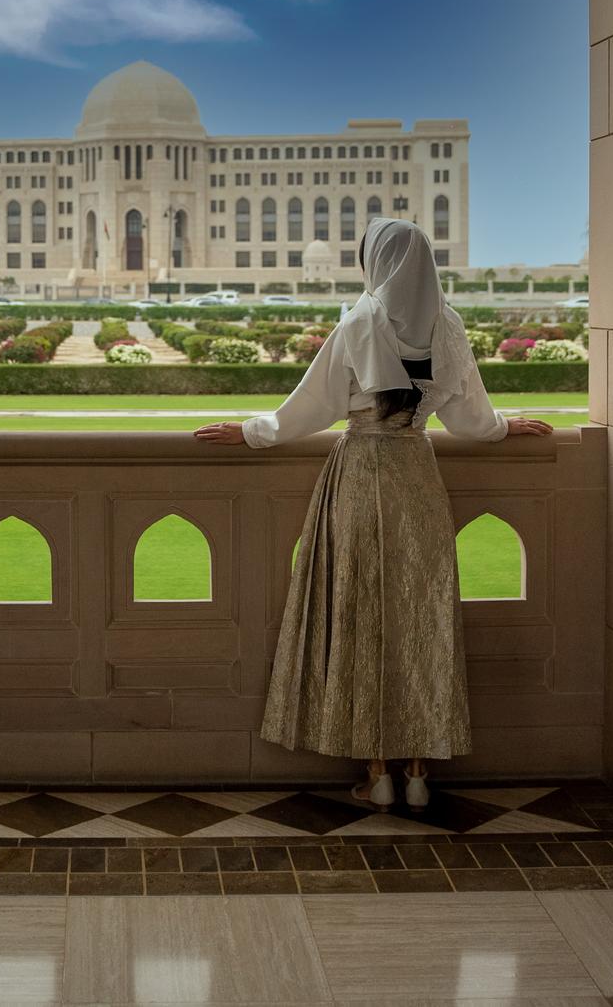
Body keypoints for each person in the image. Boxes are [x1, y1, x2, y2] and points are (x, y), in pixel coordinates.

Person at [194, 216, 552, 809]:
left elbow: (310, 407)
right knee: (420, 612)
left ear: (376, 261)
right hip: (417, 475)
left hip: (361, 475)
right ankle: (416, 776)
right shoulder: (448, 326)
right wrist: (508, 427)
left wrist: (251, 432)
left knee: (362, 609)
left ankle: (376, 772)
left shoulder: (360, 322)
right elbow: (470, 420)